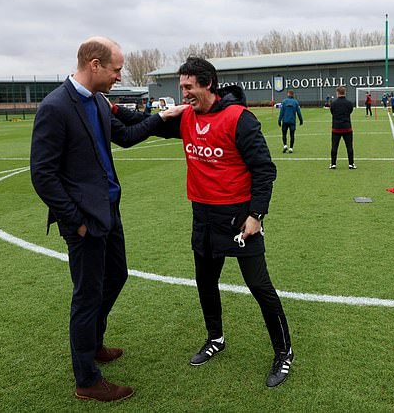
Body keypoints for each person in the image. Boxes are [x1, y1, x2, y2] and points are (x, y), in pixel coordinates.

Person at [117, 57, 293, 387]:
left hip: (239, 218)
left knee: (260, 287)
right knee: (205, 282)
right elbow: (142, 122)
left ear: (207, 84)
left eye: (188, 87)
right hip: (203, 216)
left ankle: (283, 352)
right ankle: (216, 337)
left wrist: (256, 215)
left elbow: (264, 170)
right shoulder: (186, 116)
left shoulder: (240, 119)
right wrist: (108, 108)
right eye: (181, 87)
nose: (183, 94)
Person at [30, 36, 186, 402]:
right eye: (116, 69)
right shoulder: (55, 107)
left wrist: (161, 118)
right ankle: (87, 380)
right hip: (84, 220)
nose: (119, 76)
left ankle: (94, 342)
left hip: (109, 210)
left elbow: (127, 137)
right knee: (87, 295)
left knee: (117, 276)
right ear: (95, 64)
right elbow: (43, 175)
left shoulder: (99, 102)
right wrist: (75, 222)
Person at [329, 86, 356, 170]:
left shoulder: (333, 103)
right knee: (349, 147)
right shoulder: (349, 103)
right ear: (345, 93)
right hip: (347, 128)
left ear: (337, 93)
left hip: (336, 128)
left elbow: (332, 112)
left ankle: (333, 164)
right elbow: (350, 111)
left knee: (334, 147)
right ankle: (351, 164)